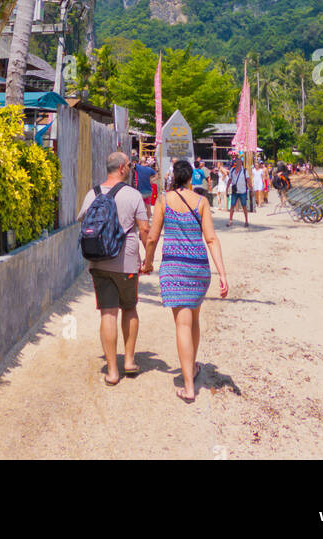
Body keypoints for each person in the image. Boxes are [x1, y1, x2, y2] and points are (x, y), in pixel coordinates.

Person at [142, 158, 228, 403]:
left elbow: (152, 237)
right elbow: (211, 239)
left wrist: (147, 263)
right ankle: (192, 368)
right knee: (194, 320)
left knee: (182, 325)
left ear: (172, 178)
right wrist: (222, 273)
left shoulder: (164, 200)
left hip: (174, 270)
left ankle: (189, 386)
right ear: (190, 178)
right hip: (199, 270)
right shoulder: (201, 202)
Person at [77, 151, 150, 384]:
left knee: (107, 312)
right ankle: (128, 361)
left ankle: (112, 371)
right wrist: (148, 258)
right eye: (130, 164)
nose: (131, 167)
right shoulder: (133, 195)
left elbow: (82, 218)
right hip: (126, 260)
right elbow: (145, 229)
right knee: (129, 308)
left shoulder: (93, 193)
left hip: (98, 259)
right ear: (121, 168)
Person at [227, 156, 249, 227]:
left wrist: (251, 189)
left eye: (239, 162)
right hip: (235, 191)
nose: (238, 163)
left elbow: (248, 180)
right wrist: (227, 188)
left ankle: (246, 221)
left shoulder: (244, 171)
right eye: (237, 162)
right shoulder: (232, 170)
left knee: (244, 206)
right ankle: (230, 221)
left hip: (242, 191)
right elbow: (230, 180)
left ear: (241, 163)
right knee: (232, 205)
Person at [135, 155, 155, 220]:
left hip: (140, 191)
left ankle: (142, 221)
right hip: (148, 191)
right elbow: (157, 175)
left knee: (141, 208)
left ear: (140, 162)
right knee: (148, 207)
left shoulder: (138, 167)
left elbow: (132, 164)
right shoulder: (150, 169)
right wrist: (152, 180)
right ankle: (148, 220)